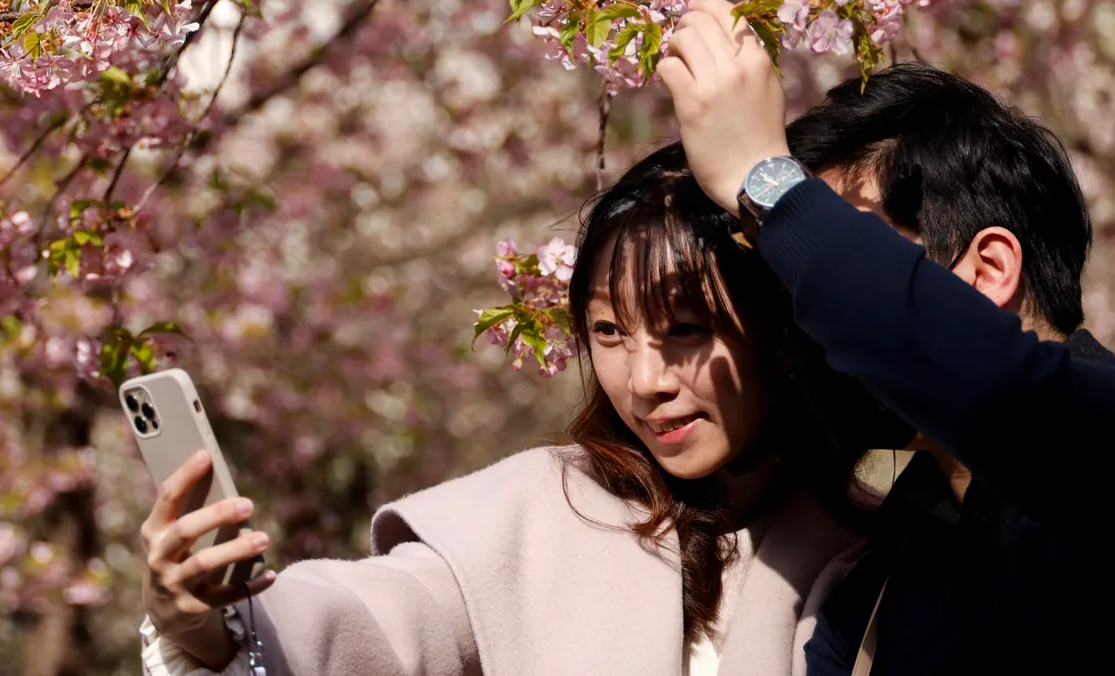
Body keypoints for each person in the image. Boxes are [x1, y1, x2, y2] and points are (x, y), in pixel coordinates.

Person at [136, 143, 872, 676]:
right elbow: (371, 615)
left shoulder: (874, 515)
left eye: (685, 329)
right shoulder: (542, 507)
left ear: (778, 328)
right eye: (609, 331)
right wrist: (205, 622)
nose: (645, 379)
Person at [658, 0, 1115, 674]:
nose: (812, 310)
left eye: (849, 236)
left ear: (989, 268)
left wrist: (765, 181)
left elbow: (1010, 397)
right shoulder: (878, 587)